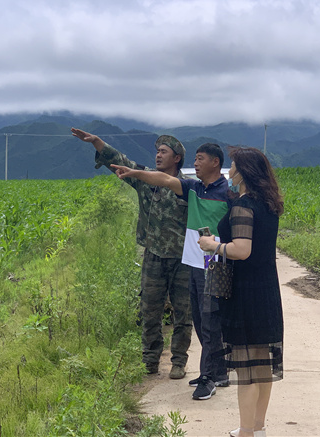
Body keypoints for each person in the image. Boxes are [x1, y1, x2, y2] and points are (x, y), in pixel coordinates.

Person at [112, 143, 230, 401]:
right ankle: (218, 372)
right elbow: (164, 179)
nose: (195, 163)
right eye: (195, 159)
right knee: (200, 319)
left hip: (216, 265)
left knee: (210, 322)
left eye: (200, 159)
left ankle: (209, 378)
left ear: (215, 163)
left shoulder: (228, 193)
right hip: (194, 263)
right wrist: (134, 173)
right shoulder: (194, 188)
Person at [71, 128, 192, 380]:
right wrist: (98, 143)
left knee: (184, 312)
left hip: (183, 259)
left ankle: (179, 361)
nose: (158, 155)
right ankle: (149, 360)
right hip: (153, 256)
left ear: (177, 158)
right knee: (149, 309)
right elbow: (121, 162)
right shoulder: (144, 179)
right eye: (157, 151)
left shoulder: (188, 186)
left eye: (164, 152)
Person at [198, 147, 284, 437]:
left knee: (247, 370)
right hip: (267, 290)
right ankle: (258, 427)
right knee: (262, 366)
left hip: (245, 292)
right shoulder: (269, 204)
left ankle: (246, 431)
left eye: (232, 166)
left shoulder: (243, 205)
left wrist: (214, 246)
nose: (229, 172)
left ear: (244, 172)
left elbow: (242, 249)